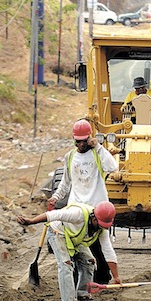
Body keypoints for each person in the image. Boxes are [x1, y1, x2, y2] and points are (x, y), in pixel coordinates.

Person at [48, 119, 119, 283]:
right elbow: (66, 183)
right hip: (77, 208)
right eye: (78, 141)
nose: (81, 144)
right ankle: (77, 279)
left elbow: (112, 166)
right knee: (75, 244)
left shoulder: (97, 153)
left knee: (100, 246)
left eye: (84, 141)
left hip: (97, 207)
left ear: (90, 138)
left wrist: (99, 147)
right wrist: (56, 197)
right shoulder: (70, 157)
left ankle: (103, 278)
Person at [17, 201, 121, 301]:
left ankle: (83, 294)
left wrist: (116, 277)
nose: (100, 228)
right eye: (99, 225)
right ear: (94, 218)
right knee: (66, 264)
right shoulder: (78, 214)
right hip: (58, 232)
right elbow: (53, 214)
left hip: (74, 239)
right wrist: (30, 221)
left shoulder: (102, 228)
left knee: (90, 261)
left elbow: (108, 251)